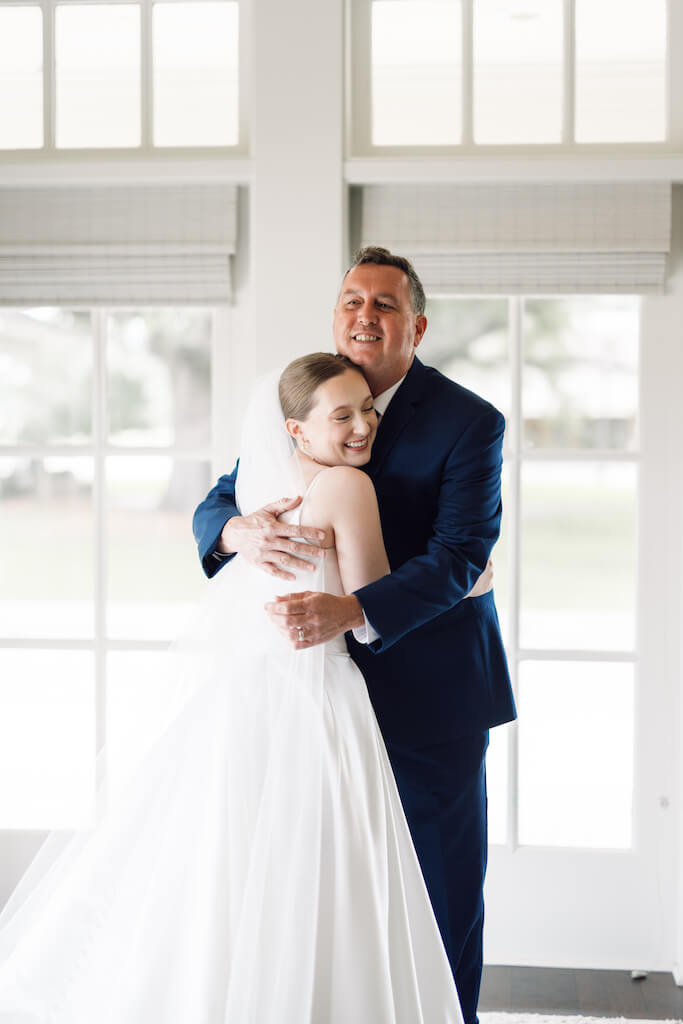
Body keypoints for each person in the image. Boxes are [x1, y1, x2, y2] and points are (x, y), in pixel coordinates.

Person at [0, 353, 464, 1022]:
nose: (365, 425)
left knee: (227, 870)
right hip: (315, 696)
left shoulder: (259, 488)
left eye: (368, 409)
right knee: (320, 873)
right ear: (295, 430)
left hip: (244, 697)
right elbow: (368, 614)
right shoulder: (346, 489)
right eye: (343, 415)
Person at [193, 246, 517, 1024]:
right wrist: (237, 532)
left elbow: (460, 552)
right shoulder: (306, 392)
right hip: (314, 693)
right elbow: (220, 496)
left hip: (431, 688)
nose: (362, 316)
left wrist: (356, 611)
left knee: (439, 883)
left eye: (382, 304)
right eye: (349, 301)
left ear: (416, 325)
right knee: (323, 889)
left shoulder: (469, 422)